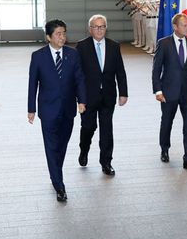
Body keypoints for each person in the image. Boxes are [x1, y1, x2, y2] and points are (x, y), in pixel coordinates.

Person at [27, 19, 86, 202]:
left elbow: (79, 79)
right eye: (58, 34)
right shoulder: (38, 56)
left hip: (68, 109)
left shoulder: (72, 54)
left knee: (62, 145)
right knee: (51, 147)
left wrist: (82, 101)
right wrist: (31, 109)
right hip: (48, 109)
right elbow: (32, 84)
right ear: (48, 37)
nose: (62, 37)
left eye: (64, 33)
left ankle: (55, 171)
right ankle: (59, 184)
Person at [152, 13, 187, 173]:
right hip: (168, 92)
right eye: (184, 25)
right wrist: (158, 90)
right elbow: (156, 69)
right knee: (167, 121)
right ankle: (164, 148)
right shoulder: (164, 44)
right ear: (175, 27)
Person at [76, 14, 128, 176]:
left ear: (106, 28)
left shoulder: (114, 46)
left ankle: (106, 162)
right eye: (96, 27)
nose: (99, 30)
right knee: (88, 127)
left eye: (102, 26)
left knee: (107, 129)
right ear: (90, 29)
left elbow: (120, 71)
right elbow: (77, 75)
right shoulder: (81, 47)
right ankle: (84, 150)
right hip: (88, 97)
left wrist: (123, 93)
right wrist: (79, 98)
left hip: (108, 96)